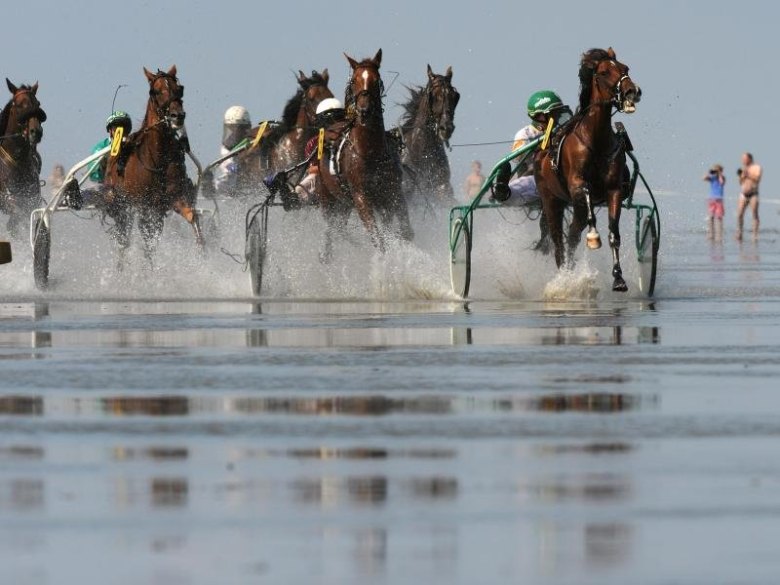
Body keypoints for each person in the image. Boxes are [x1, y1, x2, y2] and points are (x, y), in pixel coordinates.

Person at [264, 97, 347, 209]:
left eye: (336, 119)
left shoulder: (315, 142)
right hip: (330, 179)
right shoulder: (315, 142)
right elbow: (313, 169)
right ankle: (289, 195)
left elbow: (313, 170)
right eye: (332, 120)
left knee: (295, 198)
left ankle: (289, 195)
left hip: (328, 178)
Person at [493, 90, 572, 205]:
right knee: (521, 189)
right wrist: (542, 146)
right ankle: (502, 191)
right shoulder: (525, 134)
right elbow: (518, 157)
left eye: (558, 112)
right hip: (535, 176)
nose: (557, 117)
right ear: (539, 116)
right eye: (553, 113)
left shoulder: (563, 131)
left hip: (562, 176)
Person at [62, 111, 132, 209]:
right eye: (116, 127)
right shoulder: (101, 147)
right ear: (110, 130)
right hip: (104, 187)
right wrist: (105, 163)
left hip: (127, 189)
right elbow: (94, 175)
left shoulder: (134, 146)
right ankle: (75, 198)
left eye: (124, 127)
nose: (120, 130)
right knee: (96, 191)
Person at [214, 105, 252, 195]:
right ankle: (213, 190)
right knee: (231, 174)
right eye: (233, 129)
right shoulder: (226, 152)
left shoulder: (246, 148)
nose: (236, 133)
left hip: (241, 194)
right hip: (223, 197)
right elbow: (230, 167)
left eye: (241, 129)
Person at [736, 152, 762, 241]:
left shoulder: (757, 167)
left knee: (754, 214)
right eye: (742, 159)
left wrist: (748, 174)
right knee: (739, 214)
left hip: (753, 194)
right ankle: (740, 233)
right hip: (743, 194)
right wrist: (741, 176)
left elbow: (757, 179)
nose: (743, 160)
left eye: (744, 158)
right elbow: (740, 182)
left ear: (750, 159)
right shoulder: (743, 169)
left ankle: (755, 235)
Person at [702, 164, 725, 240]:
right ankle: (711, 234)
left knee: (719, 217)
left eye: (717, 170)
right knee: (711, 216)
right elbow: (704, 178)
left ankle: (719, 235)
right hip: (711, 199)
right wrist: (710, 172)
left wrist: (720, 174)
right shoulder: (712, 178)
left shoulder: (722, 178)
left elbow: (722, 182)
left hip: (719, 199)